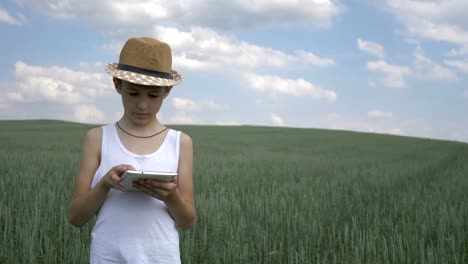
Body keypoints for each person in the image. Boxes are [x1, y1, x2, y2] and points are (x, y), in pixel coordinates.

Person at [68, 37, 196, 264]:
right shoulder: (97, 138)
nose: (143, 105)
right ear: (118, 85)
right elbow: (76, 218)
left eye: (153, 95)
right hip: (107, 257)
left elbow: (188, 222)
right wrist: (105, 183)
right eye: (133, 93)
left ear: (167, 91)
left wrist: (171, 196)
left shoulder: (180, 142)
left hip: (161, 258)